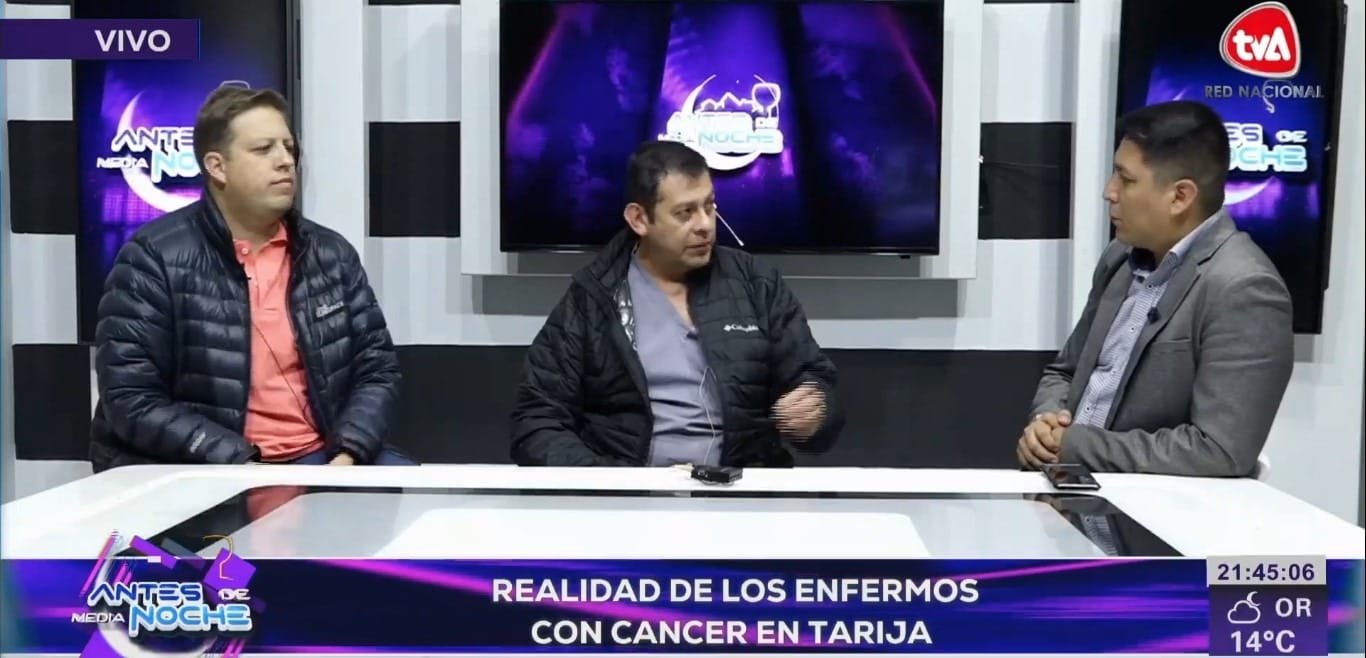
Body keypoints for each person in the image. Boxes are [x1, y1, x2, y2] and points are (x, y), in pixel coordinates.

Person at [90, 85, 413, 470]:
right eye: (264, 149)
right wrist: (239, 463)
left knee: (420, 496)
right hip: (210, 464)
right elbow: (130, 398)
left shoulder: (331, 254)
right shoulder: (152, 258)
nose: (285, 161)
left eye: (288, 147)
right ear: (217, 167)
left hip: (323, 455)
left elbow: (377, 370)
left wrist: (348, 454)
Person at [511, 140, 844, 466]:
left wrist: (815, 412)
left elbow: (816, 385)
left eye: (709, 207)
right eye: (685, 213)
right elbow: (536, 421)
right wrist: (610, 483)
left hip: (741, 488)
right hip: (630, 493)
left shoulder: (757, 284)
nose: (705, 225)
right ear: (639, 219)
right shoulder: (593, 298)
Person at [1018, 100, 1293, 477]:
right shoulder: (1118, 257)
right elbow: (1064, 372)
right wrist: (1046, 424)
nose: (1109, 192)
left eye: (1126, 179)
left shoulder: (1245, 288)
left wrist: (1075, 445)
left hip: (1150, 506)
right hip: (1068, 490)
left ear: (1180, 197)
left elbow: (1220, 451)